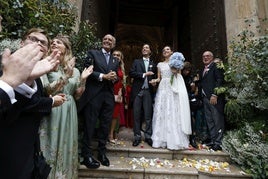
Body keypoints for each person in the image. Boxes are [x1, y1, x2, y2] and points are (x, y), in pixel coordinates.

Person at [0, 28, 64, 179]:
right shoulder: (5, 64)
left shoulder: (38, 74)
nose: (38, 44)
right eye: (33, 39)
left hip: (29, 148)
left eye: (43, 42)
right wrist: (51, 101)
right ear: (22, 43)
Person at [39, 35, 93, 178]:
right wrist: (65, 77)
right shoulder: (46, 65)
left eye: (58, 42)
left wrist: (83, 80)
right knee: (51, 141)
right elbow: (46, 90)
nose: (54, 43)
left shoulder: (74, 70)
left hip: (69, 110)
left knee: (65, 144)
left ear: (66, 48)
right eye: (53, 42)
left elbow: (77, 95)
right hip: (53, 108)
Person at [78, 34, 119, 168]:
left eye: (110, 40)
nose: (107, 41)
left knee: (105, 125)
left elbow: (116, 77)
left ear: (113, 44)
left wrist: (114, 78)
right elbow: (86, 70)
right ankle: (86, 154)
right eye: (105, 39)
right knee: (90, 124)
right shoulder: (93, 54)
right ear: (102, 42)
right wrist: (103, 76)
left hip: (108, 96)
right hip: (94, 95)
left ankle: (102, 152)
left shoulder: (115, 60)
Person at [150, 46, 191, 150]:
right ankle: (161, 139)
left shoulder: (176, 62)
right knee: (162, 111)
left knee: (172, 111)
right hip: (163, 88)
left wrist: (175, 70)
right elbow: (159, 78)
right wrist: (155, 81)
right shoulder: (159, 64)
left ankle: (174, 139)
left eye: (167, 49)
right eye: (163, 50)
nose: (165, 51)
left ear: (172, 52)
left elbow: (179, 76)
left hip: (173, 88)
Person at [129, 43, 157, 147]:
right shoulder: (137, 62)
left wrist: (154, 82)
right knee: (136, 115)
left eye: (147, 48)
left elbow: (156, 78)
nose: (144, 49)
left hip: (148, 91)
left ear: (150, 51)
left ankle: (148, 136)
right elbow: (131, 73)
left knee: (148, 115)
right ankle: (137, 137)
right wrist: (144, 74)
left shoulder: (154, 64)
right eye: (143, 48)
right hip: (137, 91)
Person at [200, 51, 224, 151]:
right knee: (210, 120)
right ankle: (213, 140)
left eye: (208, 56)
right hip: (205, 98)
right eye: (204, 56)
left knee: (217, 120)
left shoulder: (216, 66)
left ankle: (218, 142)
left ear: (212, 57)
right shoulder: (203, 69)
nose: (205, 58)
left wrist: (215, 94)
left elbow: (219, 80)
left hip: (213, 98)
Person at [182, 61, 200, 149]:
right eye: (185, 70)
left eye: (188, 70)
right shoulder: (180, 77)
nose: (187, 72)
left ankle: (192, 138)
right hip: (180, 99)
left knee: (190, 118)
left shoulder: (192, 77)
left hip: (189, 99)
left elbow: (194, 91)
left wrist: (193, 87)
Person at [109, 50, 126, 143]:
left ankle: (112, 133)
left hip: (118, 92)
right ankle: (108, 134)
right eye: (114, 55)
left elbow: (122, 81)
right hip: (109, 91)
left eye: (118, 55)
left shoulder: (121, 68)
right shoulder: (109, 65)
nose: (116, 56)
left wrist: (120, 92)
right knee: (108, 113)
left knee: (115, 114)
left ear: (121, 58)